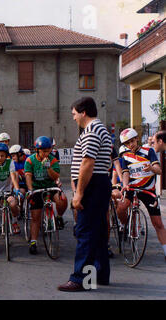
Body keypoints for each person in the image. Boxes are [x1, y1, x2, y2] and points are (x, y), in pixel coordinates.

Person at [58, 97, 112, 292]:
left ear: (83, 112)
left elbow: (87, 163)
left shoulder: (92, 131)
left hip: (93, 185)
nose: (73, 118)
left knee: (85, 232)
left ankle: (80, 278)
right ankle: (100, 274)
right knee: (97, 232)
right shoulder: (98, 129)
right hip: (99, 183)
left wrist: (79, 193)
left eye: (74, 114)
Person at [116, 128, 165, 261]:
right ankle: (124, 225)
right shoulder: (124, 156)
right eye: (127, 143)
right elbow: (125, 173)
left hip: (148, 190)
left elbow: (159, 170)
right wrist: (125, 184)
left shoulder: (149, 151)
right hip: (131, 188)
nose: (131, 145)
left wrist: (151, 168)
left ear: (137, 138)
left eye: (132, 141)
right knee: (121, 207)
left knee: (158, 223)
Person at [25, 136, 67, 255]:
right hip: (37, 189)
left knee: (62, 199)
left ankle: (59, 217)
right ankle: (33, 242)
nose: (46, 153)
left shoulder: (52, 160)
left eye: (48, 151)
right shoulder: (30, 160)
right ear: (37, 150)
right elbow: (28, 176)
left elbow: (55, 177)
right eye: (44, 151)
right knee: (36, 216)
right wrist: (30, 190)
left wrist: (48, 167)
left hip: (50, 187)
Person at [0, 142, 20, 254]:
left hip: (7, 191)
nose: (0, 158)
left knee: (13, 204)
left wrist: (16, 188)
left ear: (6, 156)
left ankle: (15, 220)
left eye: (2, 156)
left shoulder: (10, 163)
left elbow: (13, 176)